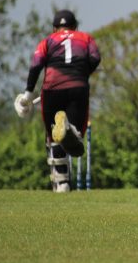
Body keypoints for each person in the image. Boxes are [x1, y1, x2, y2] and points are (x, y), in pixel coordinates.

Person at [15, 10, 101, 192]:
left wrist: (28, 93)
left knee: (52, 135)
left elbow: (36, 64)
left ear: (55, 28)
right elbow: (95, 58)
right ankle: (74, 130)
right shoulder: (86, 38)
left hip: (52, 89)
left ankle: (61, 182)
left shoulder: (48, 41)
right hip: (78, 86)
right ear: (75, 26)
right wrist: (82, 72)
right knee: (74, 130)